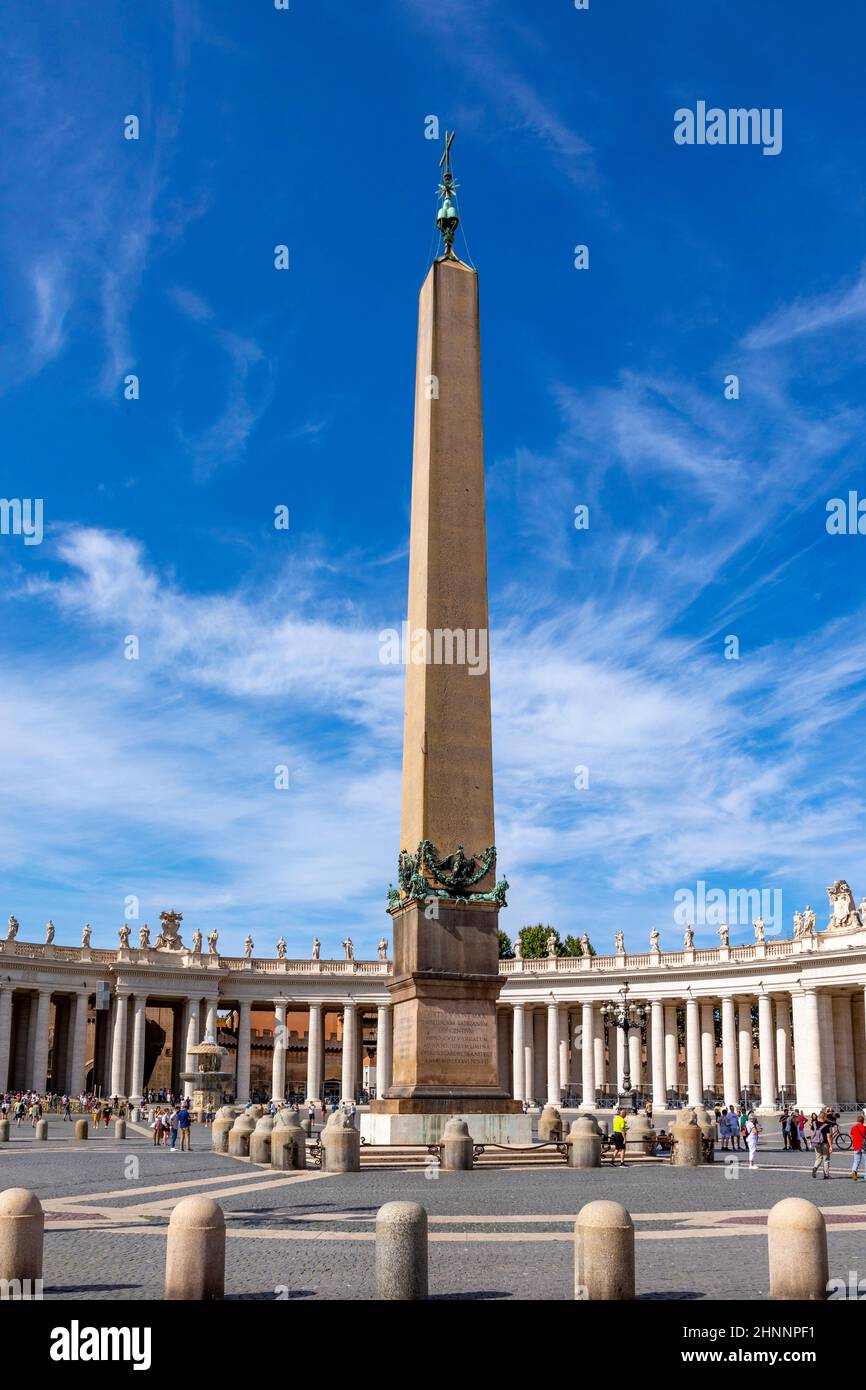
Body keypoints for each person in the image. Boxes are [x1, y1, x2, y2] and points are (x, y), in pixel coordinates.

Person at [811, 1109, 834, 1179]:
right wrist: (830, 1146)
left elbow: (812, 1133)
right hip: (824, 1144)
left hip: (816, 1143)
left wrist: (812, 1141)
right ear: (824, 1117)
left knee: (818, 1158)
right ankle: (826, 1175)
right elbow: (828, 1137)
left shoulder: (814, 1123)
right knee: (826, 1159)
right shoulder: (826, 1125)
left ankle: (815, 1167)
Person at [850, 1112, 866, 1180]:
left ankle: (854, 1171)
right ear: (863, 1121)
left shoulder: (853, 1128)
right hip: (864, 1146)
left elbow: (852, 1135)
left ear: (857, 1121)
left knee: (856, 1160)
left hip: (856, 1146)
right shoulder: (865, 1128)